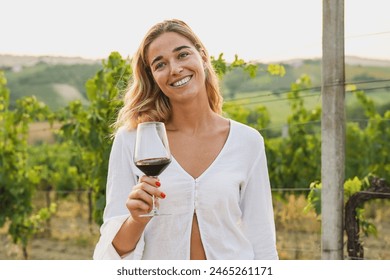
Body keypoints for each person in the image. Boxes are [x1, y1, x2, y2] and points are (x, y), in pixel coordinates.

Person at [93, 19, 278, 260]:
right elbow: (110, 256)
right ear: (153, 77)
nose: (175, 69)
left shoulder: (247, 141)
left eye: (182, 55)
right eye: (160, 64)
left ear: (202, 56)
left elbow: (262, 242)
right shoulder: (132, 141)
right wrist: (137, 220)